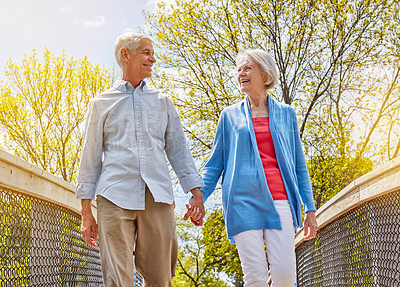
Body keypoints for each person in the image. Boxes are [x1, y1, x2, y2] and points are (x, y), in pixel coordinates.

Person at [76, 32, 204, 287]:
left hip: (157, 197)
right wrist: (86, 212)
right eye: (146, 52)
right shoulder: (101, 103)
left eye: (152, 53)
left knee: (160, 278)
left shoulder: (162, 102)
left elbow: (179, 150)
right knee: (117, 279)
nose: (152, 59)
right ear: (126, 55)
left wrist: (196, 194)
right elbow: (90, 156)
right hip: (113, 196)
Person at [185, 49, 318, 286]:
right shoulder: (229, 116)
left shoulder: (287, 114)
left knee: (285, 276)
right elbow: (214, 166)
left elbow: (299, 166)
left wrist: (310, 210)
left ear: (265, 75)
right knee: (255, 277)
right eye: (239, 70)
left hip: (280, 201)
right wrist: (199, 197)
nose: (241, 74)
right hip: (242, 202)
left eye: (247, 68)